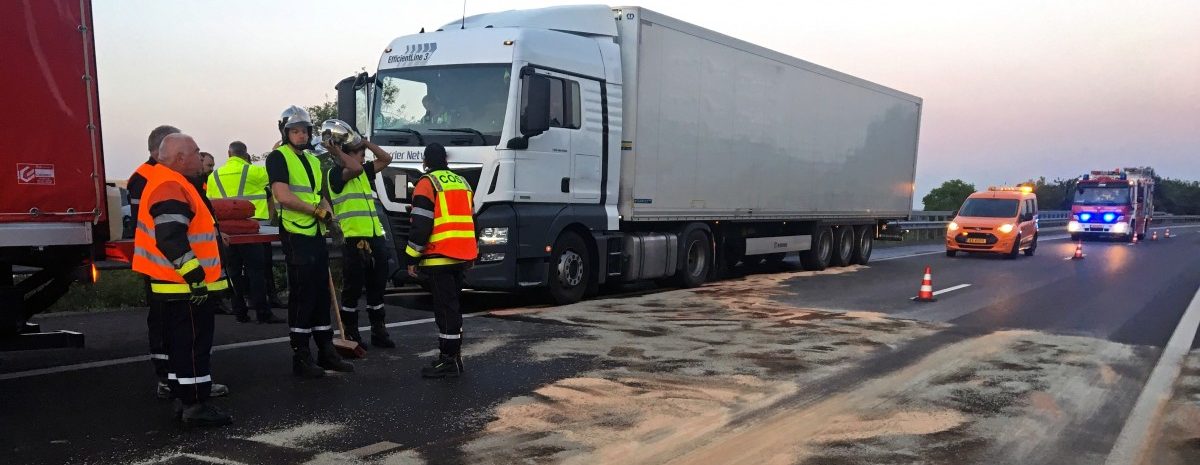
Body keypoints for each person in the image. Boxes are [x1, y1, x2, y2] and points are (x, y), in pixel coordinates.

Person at [131, 133, 232, 427]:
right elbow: (171, 237)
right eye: (196, 153)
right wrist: (195, 277)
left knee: (180, 346)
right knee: (192, 346)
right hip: (185, 286)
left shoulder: (166, 181)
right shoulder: (171, 185)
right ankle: (195, 404)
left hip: (172, 284)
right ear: (180, 158)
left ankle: (183, 396)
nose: (201, 158)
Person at [265, 106, 354, 378]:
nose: (301, 136)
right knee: (303, 296)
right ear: (285, 132)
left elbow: (320, 194)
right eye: (295, 131)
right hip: (295, 233)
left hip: (315, 233)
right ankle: (301, 356)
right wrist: (316, 212)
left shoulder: (313, 161)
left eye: (304, 131)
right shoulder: (278, 157)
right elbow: (282, 195)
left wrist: (331, 219)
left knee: (320, 295)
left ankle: (326, 350)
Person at [405, 143, 478, 378]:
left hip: (439, 255)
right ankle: (455, 357)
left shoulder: (426, 183)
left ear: (426, 161)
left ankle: (447, 360)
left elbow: (421, 226)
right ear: (445, 160)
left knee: (445, 311)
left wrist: (411, 256)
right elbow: (471, 219)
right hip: (462, 254)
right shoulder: (462, 182)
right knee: (453, 308)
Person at [321, 120, 395, 348]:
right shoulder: (335, 174)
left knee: (377, 286)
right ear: (345, 156)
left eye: (362, 155)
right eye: (358, 154)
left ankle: (378, 330)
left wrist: (365, 143)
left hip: (374, 236)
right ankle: (351, 332)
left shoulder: (363, 173)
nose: (362, 158)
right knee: (353, 288)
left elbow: (386, 159)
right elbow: (353, 168)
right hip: (353, 238)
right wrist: (338, 153)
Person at [207, 141, 284, 324]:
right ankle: (262, 312)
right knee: (257, 271)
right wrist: (275, 152)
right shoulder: (253, 172)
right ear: (246, 155)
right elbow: (275, 174)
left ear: (229, 154)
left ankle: (240, 311)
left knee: (234, 271)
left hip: (226, 231)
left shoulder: (214, 176)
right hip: (252, 229)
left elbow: (210, 203)